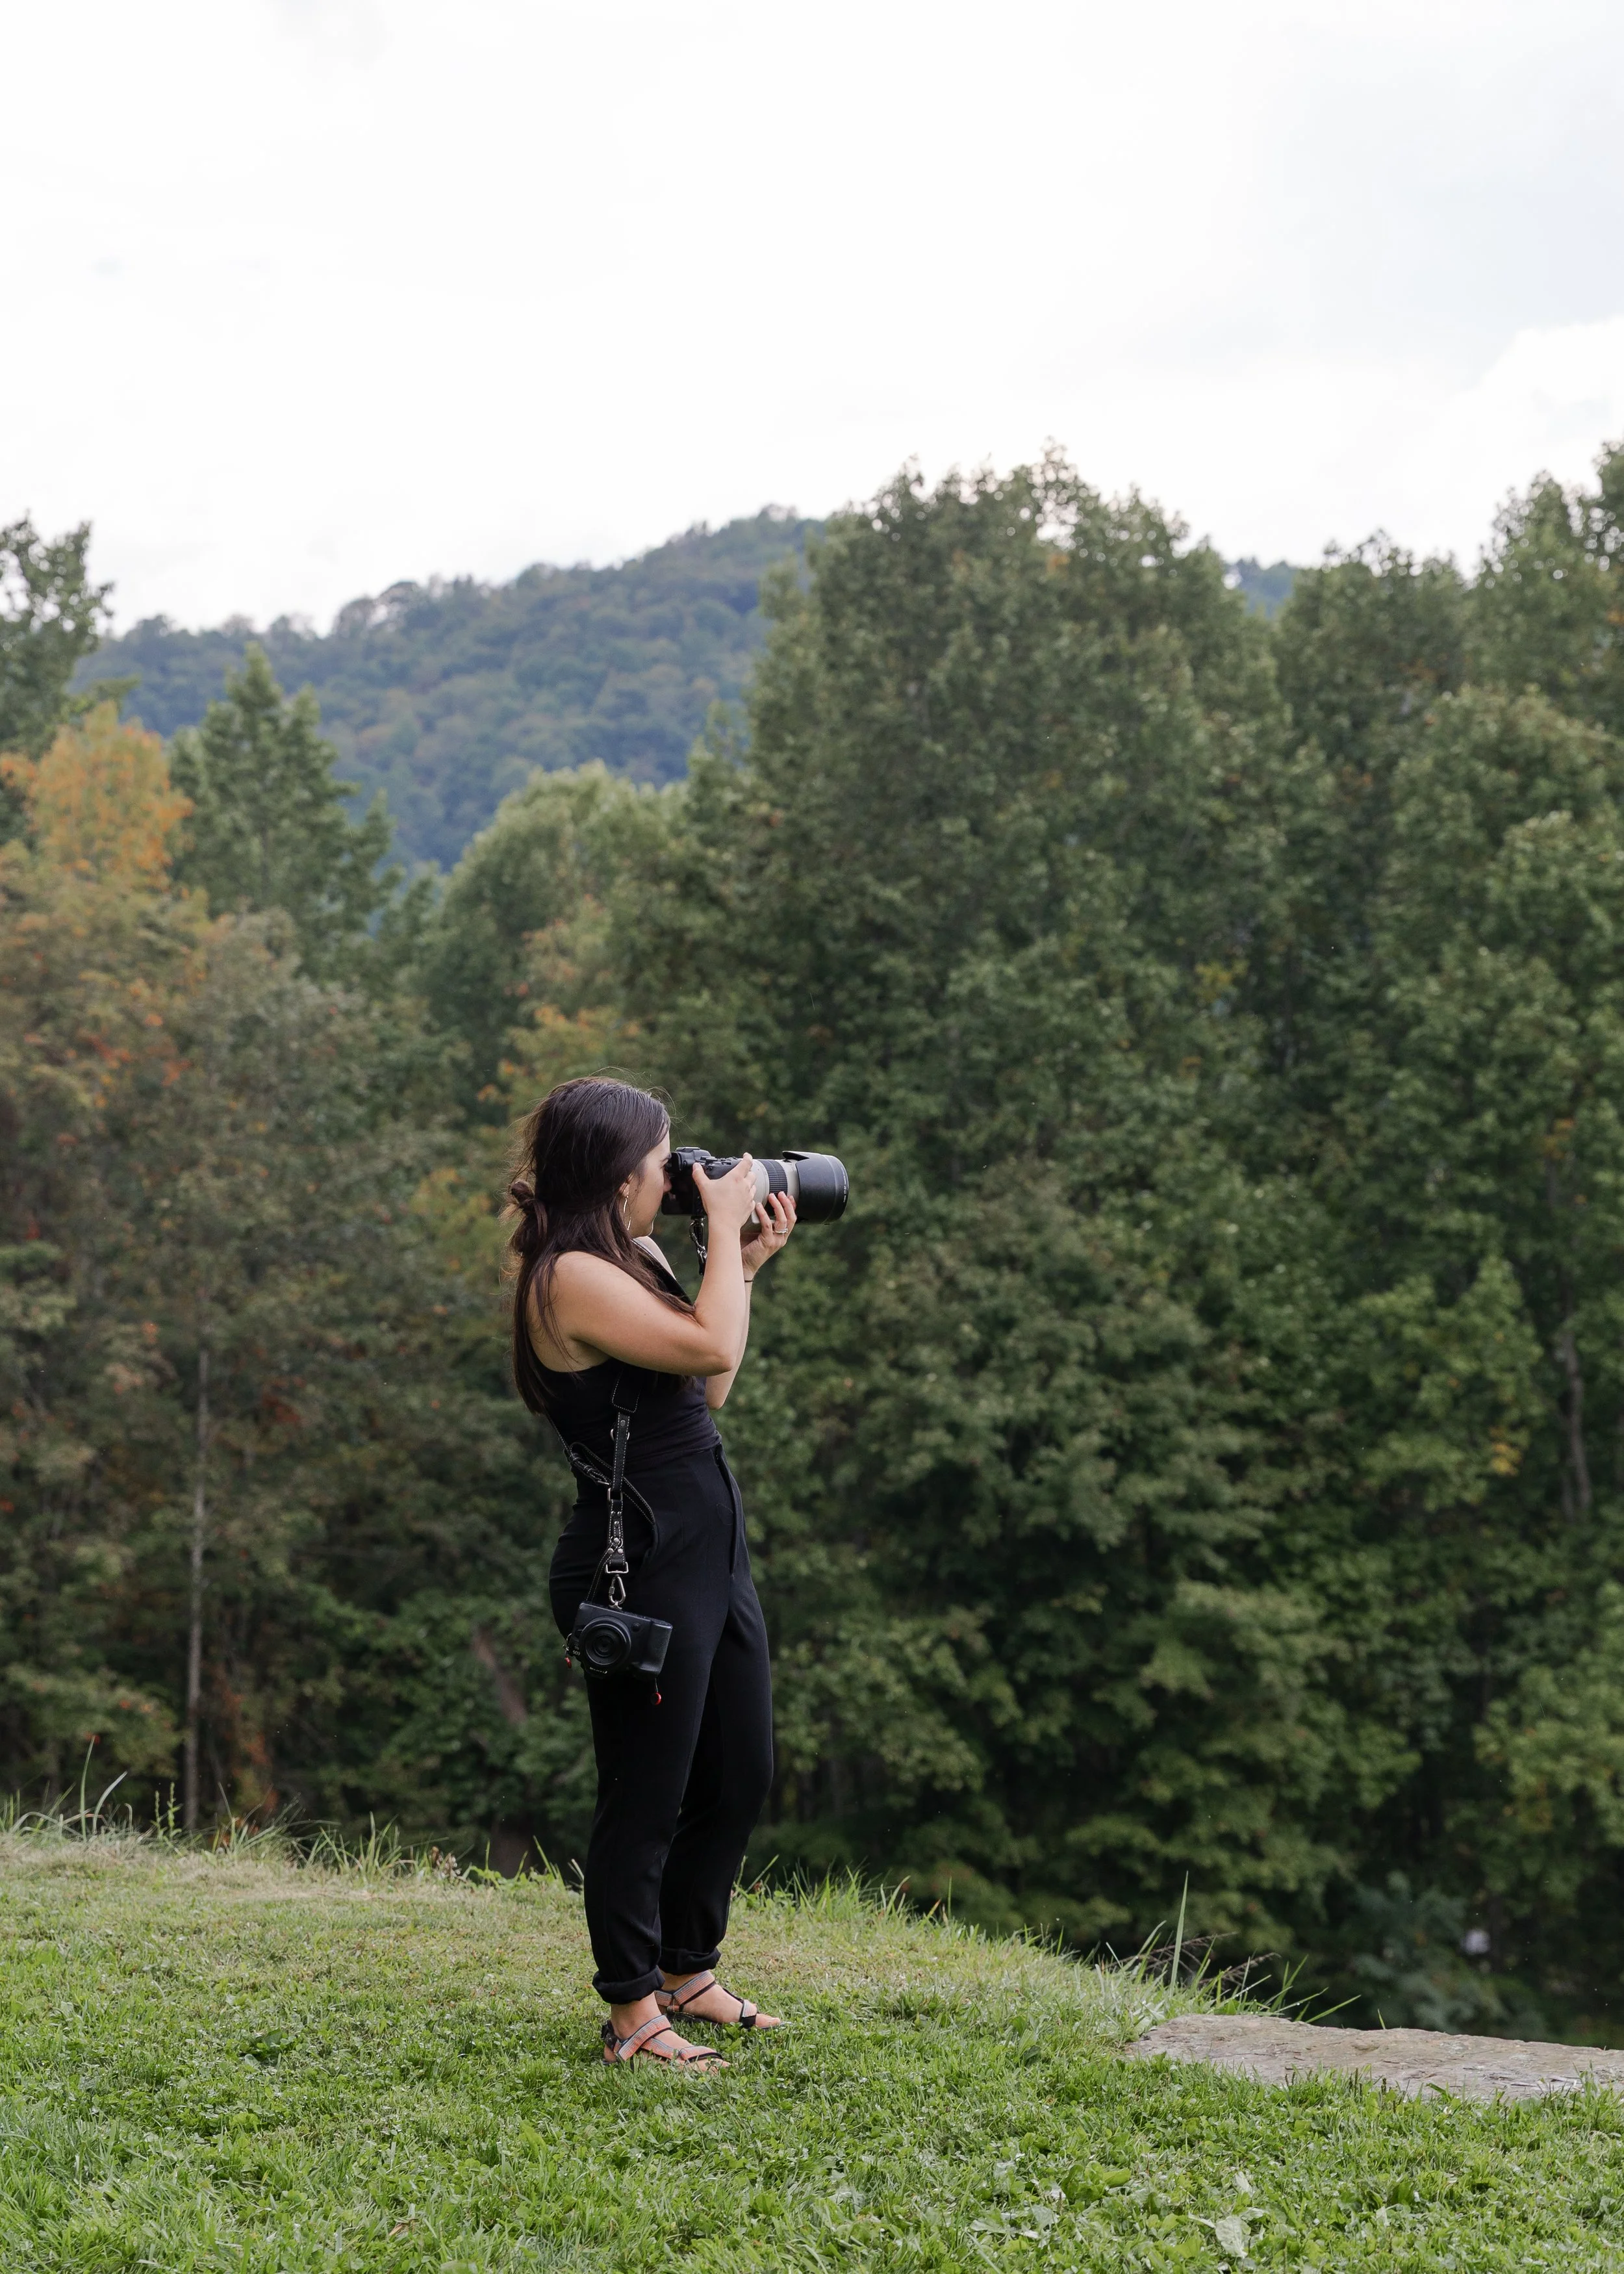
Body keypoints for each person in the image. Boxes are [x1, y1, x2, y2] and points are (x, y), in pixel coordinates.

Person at [506, 1075, 796, 2068]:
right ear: (615, 1169)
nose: (676, 1173)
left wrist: (741, 1263)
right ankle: (632, 2007)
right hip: (635, 1565)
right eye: (663, 1156)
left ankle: (689, 1968)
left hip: (709, 1545)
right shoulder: (569, 1277)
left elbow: (707, 1384)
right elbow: (710, 1342)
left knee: (739, 1768)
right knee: (648, 1789)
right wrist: (722, 1244)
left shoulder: (637, 1256)